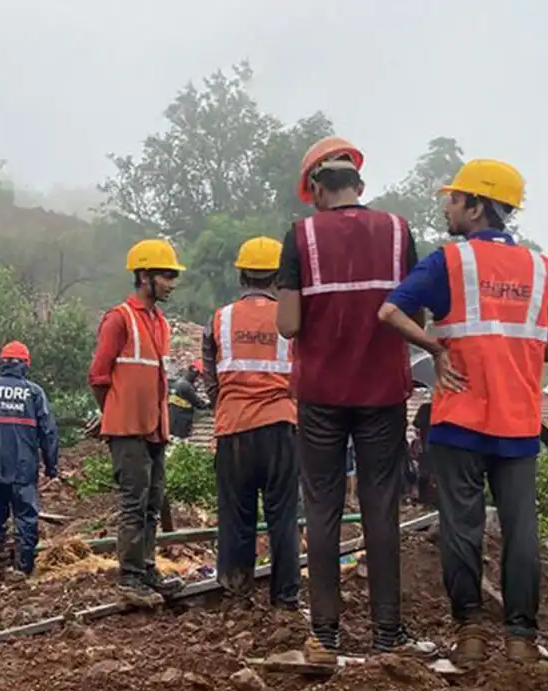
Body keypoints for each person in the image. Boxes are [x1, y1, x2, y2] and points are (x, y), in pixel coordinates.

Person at [377, 158, 548, 666]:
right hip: (519, 420)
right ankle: (521, 638)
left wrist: (435, 348)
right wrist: (519, 357)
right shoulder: (544, 271)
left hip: (459, 418)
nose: (448, 206)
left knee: (462, 525)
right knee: (522, 529)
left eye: (455, 199)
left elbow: (389, 311)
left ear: (477, 207)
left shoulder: (449, 263)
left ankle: (471, 634)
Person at [275, 137, 432, 662]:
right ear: (360, 187)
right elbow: (418, 318)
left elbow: (290, 324)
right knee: (381, 504)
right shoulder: (397, 231)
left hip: (320, 393)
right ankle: (388, 632)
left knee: (321, 505)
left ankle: (324, 635)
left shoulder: (300, 237)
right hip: (383, 390)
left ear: (318, 189)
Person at [201, 236, 299, 608]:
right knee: (284, 518)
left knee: (235, 518)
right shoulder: (291, 319)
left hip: (234, 431)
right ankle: (286, 598)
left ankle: (235, 593)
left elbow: (211, 379)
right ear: (278, 277)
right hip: (281, 428)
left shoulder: (219, 319)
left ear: (242, 274)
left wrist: (228, 408)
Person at [88, 239, 187, 603]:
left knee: (152, 501)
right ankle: (129, 576)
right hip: (128, 428)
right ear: (144, 276)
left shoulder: (159, 322)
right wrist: (113, 411)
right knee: (133, 501)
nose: (171, 283)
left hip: (155, 427)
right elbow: (99, 376)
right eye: (166, 275)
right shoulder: (119, 319)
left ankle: (146, 569)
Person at [0, 341, 59, 576]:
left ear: (2, 363)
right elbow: (48, 432)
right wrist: (51, 465)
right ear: (25, 364)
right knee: (26, 518)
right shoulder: (34, 393)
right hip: (23, 468)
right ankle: (24, 569)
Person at [167, 362, 207, 440]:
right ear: (194, 371)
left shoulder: (178, 383)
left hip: (174, 423)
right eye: (199, 375)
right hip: (181, 425)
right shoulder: (185, 386)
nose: (199, 379)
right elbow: (199, 404)